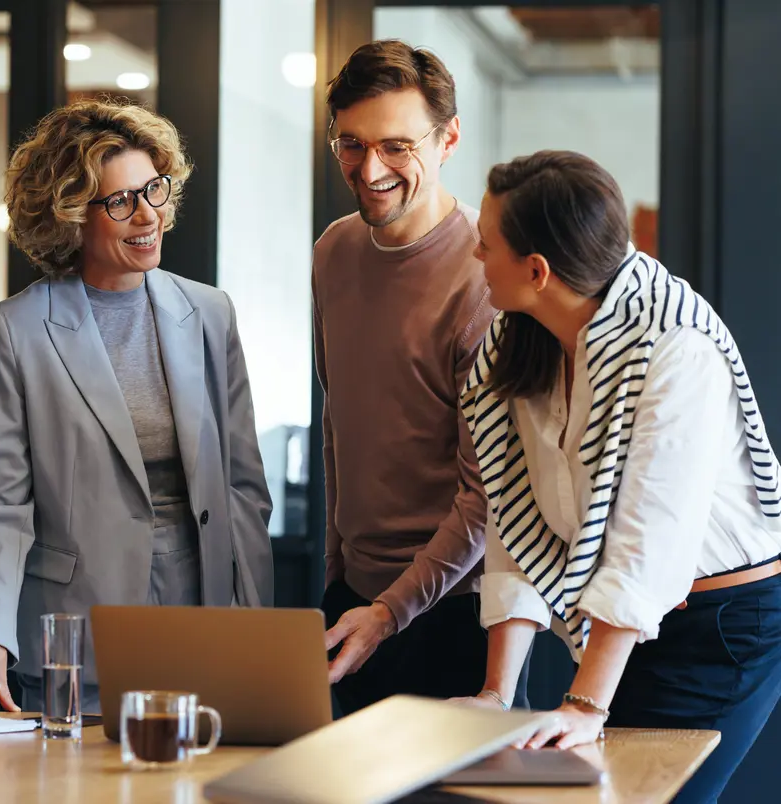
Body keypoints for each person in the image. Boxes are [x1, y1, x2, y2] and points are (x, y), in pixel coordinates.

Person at [457, 150, 781, 803]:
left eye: (486, 244)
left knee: (640, 797)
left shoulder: (676, 345)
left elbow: (647, 545)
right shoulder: (521, 341)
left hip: (723, 626)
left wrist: (583, 703)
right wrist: (497, 692)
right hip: (629, 620)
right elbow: (517, 521)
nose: (474, 255)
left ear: (537, 270)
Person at [0, 98, 273, 713]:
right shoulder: (14, 330)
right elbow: (0, 502)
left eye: (154, 190)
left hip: (203, 618)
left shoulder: (209, 312)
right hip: (77, 626)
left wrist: (255, 623)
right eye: (120, 201)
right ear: (70, 216)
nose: (148, 215)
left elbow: (244, 488)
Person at [313, 39, 530, 716]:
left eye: (396, 146)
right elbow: (338, 424)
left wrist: (390, 610)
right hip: (350, 603)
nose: (370, 168)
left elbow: (486, 492)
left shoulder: (485, 278)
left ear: (449, 139)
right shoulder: (333, 250)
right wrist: (340, 580)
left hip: (452, 612)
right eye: (350, 144)